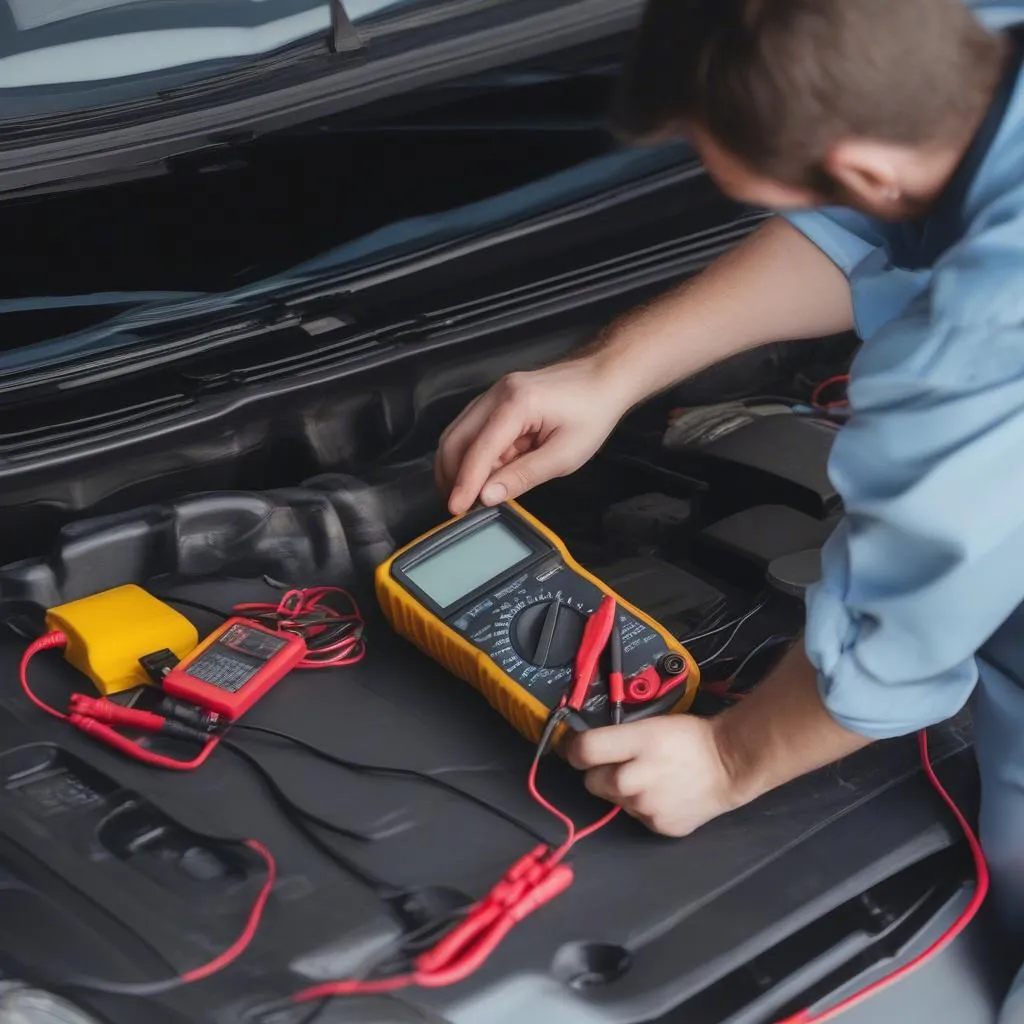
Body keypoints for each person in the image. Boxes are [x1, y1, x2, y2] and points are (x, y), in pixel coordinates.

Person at [436, 0, 1024, 1014]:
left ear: (871, 168)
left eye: (745, 186)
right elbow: (864, 226)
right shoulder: (963, 53)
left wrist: (725, 758)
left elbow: (901, 637)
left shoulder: (974, 345)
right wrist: (611, 369)